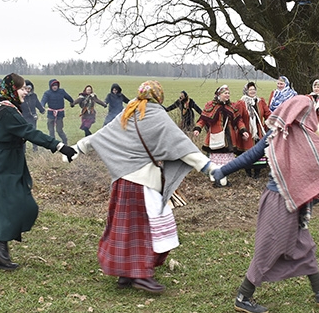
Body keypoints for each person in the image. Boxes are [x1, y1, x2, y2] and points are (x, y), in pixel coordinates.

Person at [213, 96, 319, 313]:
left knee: (304, 244)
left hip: (294, 201)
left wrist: (224, 171)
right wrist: (223, 170)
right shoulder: (289, 137)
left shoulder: (285, 135)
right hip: (279, 201)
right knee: (269, 247)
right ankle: (243, 296)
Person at [73, 80, 218, 293]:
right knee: (146, 228)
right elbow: (182, 146)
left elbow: (101, 135)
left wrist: (77, 148)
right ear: (158, 96)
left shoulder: (128, 111)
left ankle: (125, 273)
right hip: (142, 183)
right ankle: (141, 274)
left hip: (122, 181)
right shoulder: (156, 115)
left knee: (126, 229)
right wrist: (208, 166)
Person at [0, 73, 78, 270]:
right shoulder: (7, 110)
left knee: (13, 204)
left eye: (26, 88)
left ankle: (1, 251)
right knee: (13, 205)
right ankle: (0, 248)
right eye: (22, 88)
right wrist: (60, 146)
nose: (26, 92)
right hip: (3, 163)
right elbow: (29, 132)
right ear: (12, 89)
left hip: (9, 161)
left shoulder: (6, 106)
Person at [193, 85, 250, 170]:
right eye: (225, 93)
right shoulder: (211, 106)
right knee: (216, 163)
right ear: (219, 95)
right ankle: (217, 179)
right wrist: (198, 129)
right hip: (216, 136)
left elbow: (239, 120)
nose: (228, 95)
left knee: (227, 162)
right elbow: (202, 119)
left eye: (228, 93)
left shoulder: (232, 106)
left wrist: (243, 130)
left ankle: (224, 179)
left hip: (229, 138)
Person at [238, 82, 271, 178]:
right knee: (248, 152)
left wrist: (273, 121)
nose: (252, 91)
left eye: (254, 89)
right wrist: (242, 129)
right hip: (247, 132)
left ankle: (257, 173)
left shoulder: (260, 102)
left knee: (258, 152)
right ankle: (248, 173)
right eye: (250, 90)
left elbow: (267, 114)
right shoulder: (241, 103)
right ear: (246, 91)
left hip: (258, 132)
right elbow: (238, 118)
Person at [41, 79, 76, 144]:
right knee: (51, 130)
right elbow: (43, 100)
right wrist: (42, 106)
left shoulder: (61, 91)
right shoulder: (47, 93)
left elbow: (68, 97)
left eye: (56, 85)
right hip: (51, 114)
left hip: (60, 114)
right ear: (50, 86)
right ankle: (53, 143)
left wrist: (72, 102)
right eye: (53, 85)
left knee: (59, 130)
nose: (55, 87)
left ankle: (65, 141)